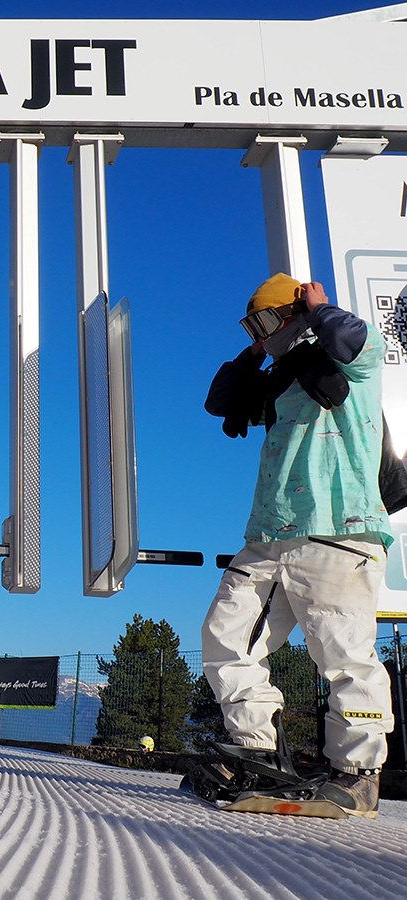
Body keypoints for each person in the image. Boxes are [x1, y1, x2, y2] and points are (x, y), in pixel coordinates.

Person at [201, 272, 395, 818]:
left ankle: (357, 775)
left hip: (340, 529)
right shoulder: (281, 377)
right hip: (270, 533)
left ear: (298, 312)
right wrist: (258, 348)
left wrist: (318, 309)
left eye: (267, 320)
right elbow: (218, 402)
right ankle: (255, 748)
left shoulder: (352, 359)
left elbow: (351, 337)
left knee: (343, 653)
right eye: (252, 326)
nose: (262, 334)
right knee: (225, 634)